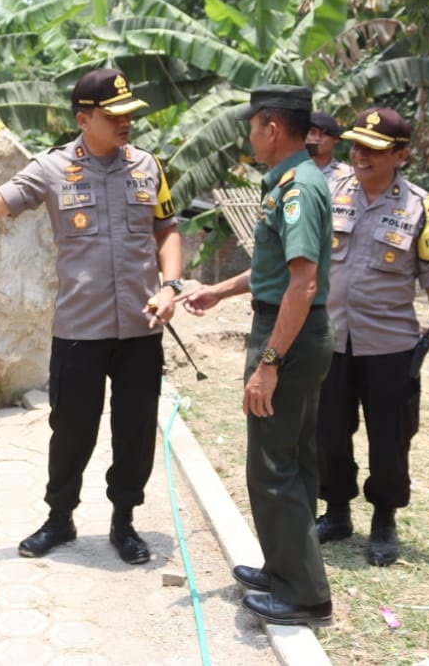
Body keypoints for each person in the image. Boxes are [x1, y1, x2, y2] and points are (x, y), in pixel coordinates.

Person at [0, 68, 183, 565]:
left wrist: (171, 286)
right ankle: (60, 517)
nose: (126, 123)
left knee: (134, 430)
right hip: (79, 331)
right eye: (114, 116)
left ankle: (125, 521)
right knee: (71, 430)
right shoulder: (51, 169)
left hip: (140, 329)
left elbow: (167, 230)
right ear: (83, 119)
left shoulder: (149, 167)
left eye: (129, 114)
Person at [179, 84, 334, 626]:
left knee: (272, 467)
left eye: (251, 126)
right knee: (294, 461)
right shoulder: (292, 183)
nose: (249, 136)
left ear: (271, 126)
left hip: (287, 336)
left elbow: (303, 284)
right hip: (292, 330)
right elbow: (275, 272)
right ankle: (287, 567)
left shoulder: (298, 189)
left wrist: (269, 362)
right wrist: (217, 291)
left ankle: (305, 596)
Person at [315, 107, 429, 566]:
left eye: (374, 150)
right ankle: (337, 510)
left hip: (389, 347)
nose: (360, 156)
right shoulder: (327, 191)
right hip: (330, 340)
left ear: (401, 155)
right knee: (328, 432)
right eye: (356, 146)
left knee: (390, 438)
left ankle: (384, 520)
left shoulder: (422, 206)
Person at [307, 111, 349, 179]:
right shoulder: (292, 170)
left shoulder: (347, 175)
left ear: (335, 139)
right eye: (312, 133)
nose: (317, 138)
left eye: (324, 134)